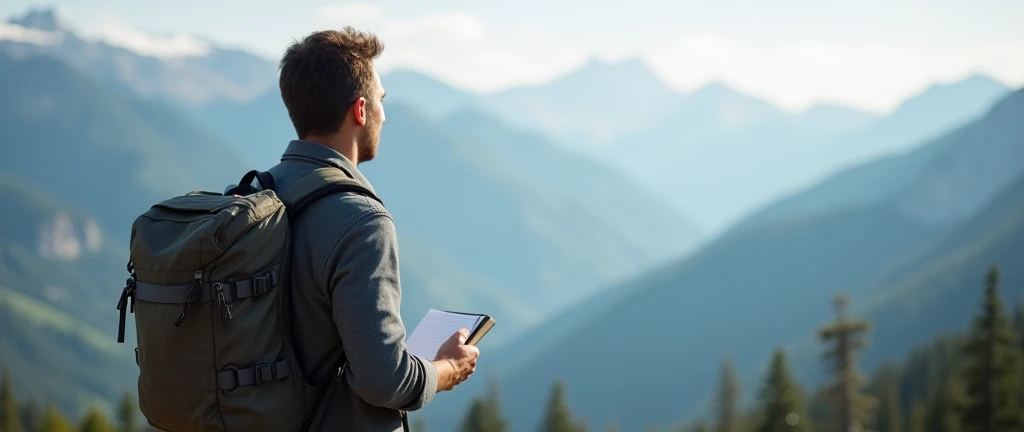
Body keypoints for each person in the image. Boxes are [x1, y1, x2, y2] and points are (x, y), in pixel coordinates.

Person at [265, 27, 480, 431]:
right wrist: (447, 367)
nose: (385, 114)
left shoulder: (254, 195)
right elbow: (384, 381)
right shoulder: (360, 221)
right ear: (360, 111)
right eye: (381, 101)